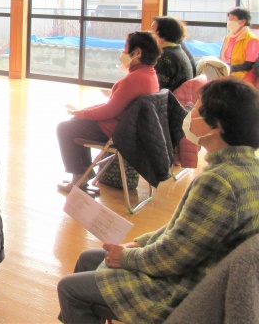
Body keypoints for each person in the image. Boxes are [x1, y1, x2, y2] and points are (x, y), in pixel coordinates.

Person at [57, 78, 259, 324]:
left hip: (186, 289)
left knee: (70, 289)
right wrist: (140, 243)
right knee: (88, 259)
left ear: (216, 125)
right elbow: (185, 232)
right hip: (206, 271)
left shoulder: (219, 182)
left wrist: (127, 257)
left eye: (196, 108)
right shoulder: (247, 170)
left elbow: (173, 257)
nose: (190, 113)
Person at [56, 32, 160, 194]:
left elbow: (110, 110)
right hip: (129, 129)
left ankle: (79, 177)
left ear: (138, 52)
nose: (123, 52)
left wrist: (83, 113)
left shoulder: (134, 79)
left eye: (125, 48)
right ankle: (81, 175)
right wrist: (85, 111)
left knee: (65, 128)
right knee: (75, 124)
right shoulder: (149, 74)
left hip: (116, 131)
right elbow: (115, 104)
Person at [150, 16, 193, 92]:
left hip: (169, 98)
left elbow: (154, 88)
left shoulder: (166, 57)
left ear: (163, 32)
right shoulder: (176, 50)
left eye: (152, 29)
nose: (149, 33)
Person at [220, 7, 257, 81]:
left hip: (241, 78)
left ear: (242, 22)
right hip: (226, 74)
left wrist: (229, 68)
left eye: (232, 19)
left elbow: (249, 65)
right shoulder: (228, 37)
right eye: (229, 19)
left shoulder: (251, 40)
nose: (229, 22)